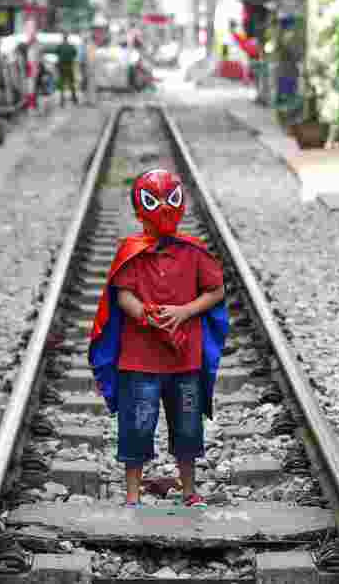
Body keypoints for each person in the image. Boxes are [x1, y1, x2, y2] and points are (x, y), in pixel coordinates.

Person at [88, 169, 229, 509]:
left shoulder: (194, 252)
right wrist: (143, 313)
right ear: (140, 209)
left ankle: (189, 490)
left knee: (188, 426)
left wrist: (184, 312)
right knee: (136, 427)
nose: (164, 209)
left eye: (171, 200)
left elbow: (215, 291)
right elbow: (122, 295)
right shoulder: (132, 252)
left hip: (185, 359)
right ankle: (133, 495)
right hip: (139, 360)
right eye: (155, 201)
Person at [56, 32, 79, 107]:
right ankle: (74, 99)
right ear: (67, 38)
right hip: (69, 66)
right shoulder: (71, 46)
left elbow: (57, 53)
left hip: (62, 67)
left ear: (63, 38)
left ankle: (62, 101)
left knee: (62, 84)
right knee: (71, 83)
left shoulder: (60, 46)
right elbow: (75, 53)